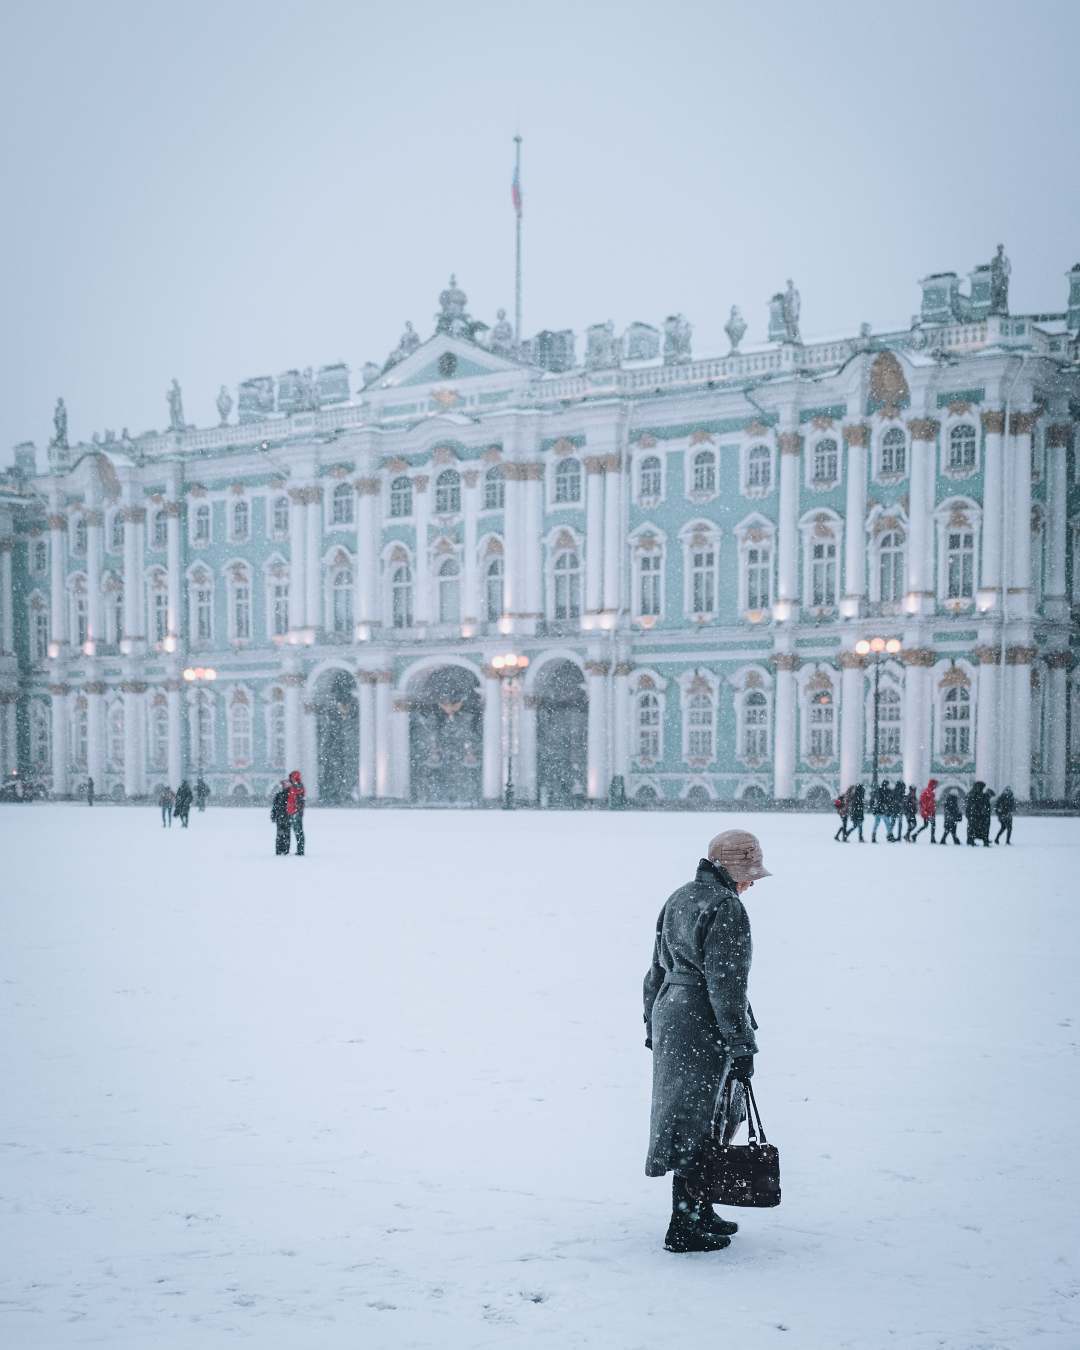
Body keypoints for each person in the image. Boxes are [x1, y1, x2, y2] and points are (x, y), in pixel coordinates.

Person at [643, 829, 769, 1254]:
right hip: (702, 1018)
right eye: (749, 874)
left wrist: (651, 1024)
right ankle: (686, 1225)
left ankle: (699, 1208)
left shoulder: (679, 897)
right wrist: (741, 1044)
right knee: (704, 1119)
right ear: (733, 871)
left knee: (688, 1117)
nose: (751, 883)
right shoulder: (726, 907)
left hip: (672, 1014)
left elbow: (654, 969)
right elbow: (726, 984)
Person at [967, 781, 994, 847]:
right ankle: (982, 841)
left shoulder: (974, 793)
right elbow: (977, 804)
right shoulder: (976, 794)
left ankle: (972, 840)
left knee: (975, 828)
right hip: (977, 815)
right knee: (980, 828)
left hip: (977, 815)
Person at [285, 770, 305, 856]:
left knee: (298, 831)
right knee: (297, 831)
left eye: (291, 778)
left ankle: (300, 850)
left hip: (296, 812)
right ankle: (299, 849)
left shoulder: (297, 786)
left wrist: (297, 810)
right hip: (293, 811)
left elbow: (299, 796)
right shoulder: (294, 786)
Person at [270, 780, 291, 855]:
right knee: (280, 834)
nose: (283, 786)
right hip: (281, 817)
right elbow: (275, 807)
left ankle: (285, 850)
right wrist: (273, 815)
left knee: (285, 834)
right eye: (283, 785)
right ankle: (279, 850)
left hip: (286, 817)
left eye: (284, 784)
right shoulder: (279, 795)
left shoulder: (290, 795)